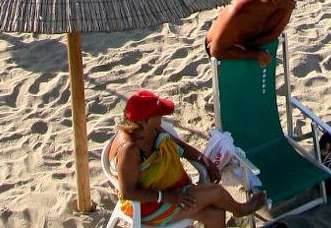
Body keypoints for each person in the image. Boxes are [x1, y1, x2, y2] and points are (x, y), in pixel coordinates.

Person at [107, 90, 266, 226]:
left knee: (216, 215)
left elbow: (179, 145)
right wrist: (170, 197)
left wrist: (203, 159)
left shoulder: (151, 129)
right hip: (147, 206)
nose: (162, 115)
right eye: (158, 114)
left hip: (166, 191)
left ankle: (237, 210)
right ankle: (239, 210)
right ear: (145, 121)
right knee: (216, 192)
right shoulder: (129, 150)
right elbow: (128, 192)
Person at [206, 0, 310, 66]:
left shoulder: (285, 6)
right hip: (219, 48)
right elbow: (217, 50)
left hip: (245, 45)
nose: (296, 3)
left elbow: (275, 33)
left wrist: (253, 50)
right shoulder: (241, 10)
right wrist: (255, 54)